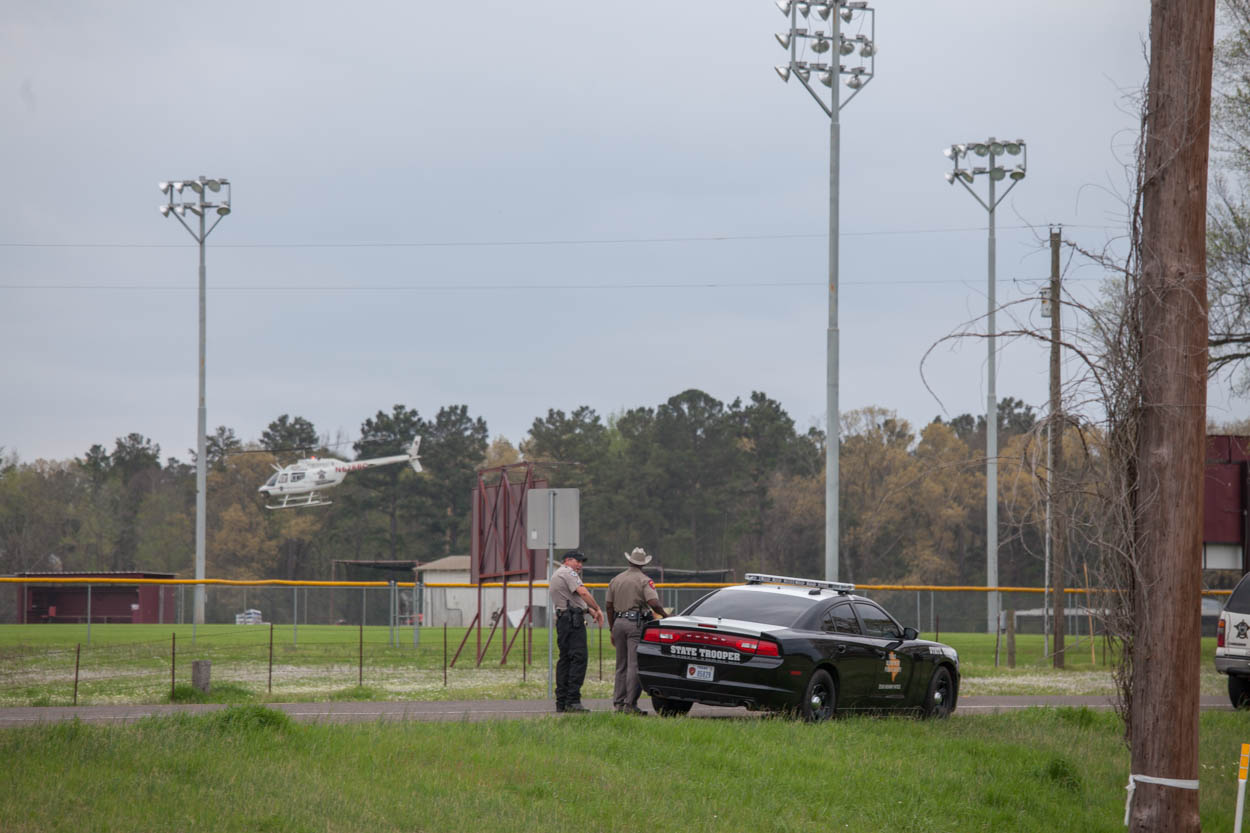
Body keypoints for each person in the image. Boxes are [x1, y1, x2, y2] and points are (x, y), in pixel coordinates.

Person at [606, 547, 667, 715]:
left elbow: (609, 606)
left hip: (618, 622)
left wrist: (612, 628)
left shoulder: (616, 579)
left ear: (629, 561)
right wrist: (665, 615)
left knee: (621, 665)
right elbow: (653, 602)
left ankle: (618, 703)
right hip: (635, 623)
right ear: (643, 564)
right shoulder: (644, 580)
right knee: (634, 665)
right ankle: (630, 704)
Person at [549, 549, 604, 713]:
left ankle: (562, 701)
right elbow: (583, 592)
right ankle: (573, 701)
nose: (580, 565)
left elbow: (572, 600)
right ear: (567, 560)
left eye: (581, 562)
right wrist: (597, 608)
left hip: (564, 619)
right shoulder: (568, 572)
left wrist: (588, 610)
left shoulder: (558, 573)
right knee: (578, 658)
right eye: (577, 561)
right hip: (572, 622)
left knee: (565, 660)